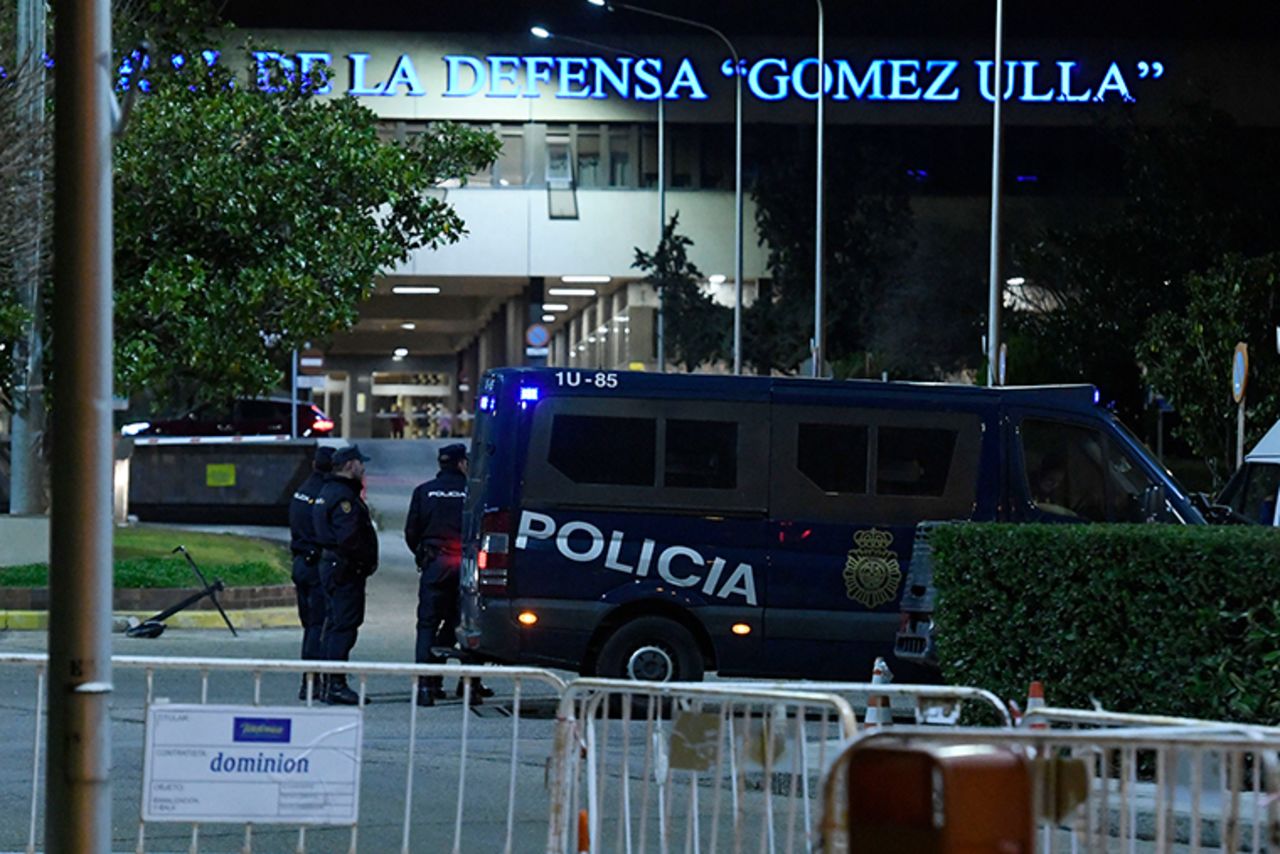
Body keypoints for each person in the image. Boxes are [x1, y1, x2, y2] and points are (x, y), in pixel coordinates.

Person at [404, 442, 491, 706]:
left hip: (435, 564)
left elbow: (411, 532)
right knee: (469, 626)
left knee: (427, 625)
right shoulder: (474, 492)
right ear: (462, 464)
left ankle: (425, 688)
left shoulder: (423, 492)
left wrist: (423, 556)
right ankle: (470, 686)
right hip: (467, 567)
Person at [313, 444, 378, 705]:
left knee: (334, 625)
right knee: (343, 628)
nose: (363, 468)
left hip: (332, 567)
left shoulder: (327, 491)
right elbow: (349, 539)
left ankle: (329, 683)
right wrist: (363, 562)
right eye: (361, 464)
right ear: (350, 465)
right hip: (344, 569)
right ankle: (335, 685)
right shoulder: (343, 498)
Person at [288, 444, 335, 700]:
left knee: (310, 626)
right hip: (316, 566)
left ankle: (309, 680)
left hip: (300, 563)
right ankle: (313, 682)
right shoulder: (323, 494)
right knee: (318, 627)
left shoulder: (302, 490)